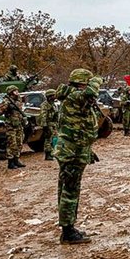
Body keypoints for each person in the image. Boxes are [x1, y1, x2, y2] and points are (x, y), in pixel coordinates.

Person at [54, 68, 102, 244]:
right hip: (71, 152)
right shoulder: (75, 96)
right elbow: (90, 92)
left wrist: (88, 149)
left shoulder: (75, 97)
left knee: (69, 187)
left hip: (76, 149)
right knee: (69, 190)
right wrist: (97, 80)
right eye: (87, 83)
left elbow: (79, 128)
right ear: (83, 83)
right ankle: (67, 232)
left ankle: (69, 227)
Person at [0, 85, 26, 169]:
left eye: (17, 90)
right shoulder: (7, 101)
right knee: (12, 143)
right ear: (11, 92)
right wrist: (7, 108)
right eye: (15, 91)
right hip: (11, 126)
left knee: (19, 143)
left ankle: (16, 159)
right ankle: (11, 162)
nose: (17, 92)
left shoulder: (18, 100)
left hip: (19, 125)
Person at [39, 89, 59, 161]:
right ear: (49, 96)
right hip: (48, 124)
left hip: (53, 124)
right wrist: (45, 126)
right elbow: (43, 116)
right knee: (48, 139)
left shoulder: (53, 104)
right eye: (53, 95)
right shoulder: (45, 105)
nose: (55, 97)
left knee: (54, 139)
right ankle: (48, 154)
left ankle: (52, 153)